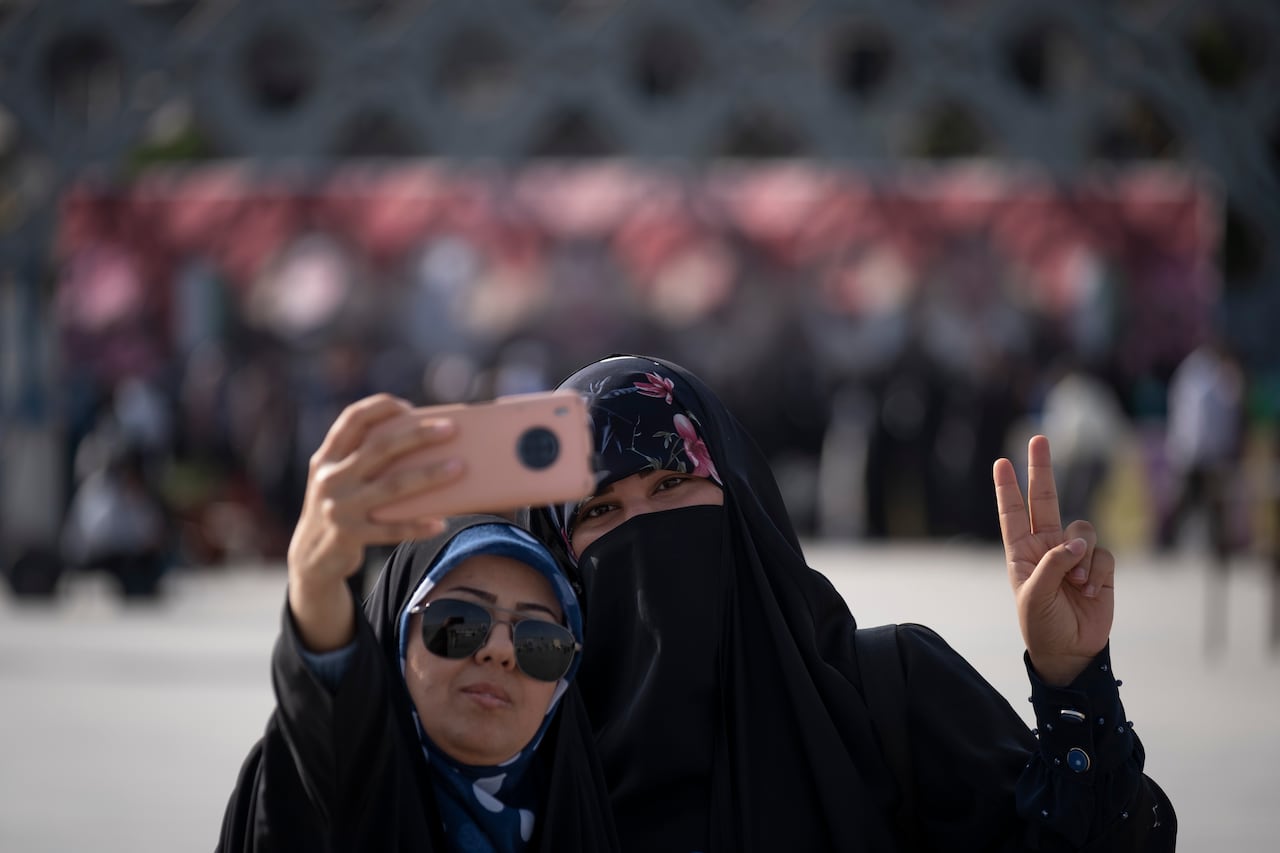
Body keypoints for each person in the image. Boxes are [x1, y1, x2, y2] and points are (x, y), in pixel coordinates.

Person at [518, 354, 1176, 852]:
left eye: (670, 482)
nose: (642, 526)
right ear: (558, 552)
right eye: (599, 509)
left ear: (741, 497)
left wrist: (1071, 680)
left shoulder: (890, 692)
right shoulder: (531, 753)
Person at [217, 395, 618, 853]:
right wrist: (318, 583)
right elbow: (328, 705)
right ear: (396, 637)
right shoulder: (327, 788)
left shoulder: (579, 816)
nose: (500, 651)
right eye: (459, 622)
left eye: (541, 641)